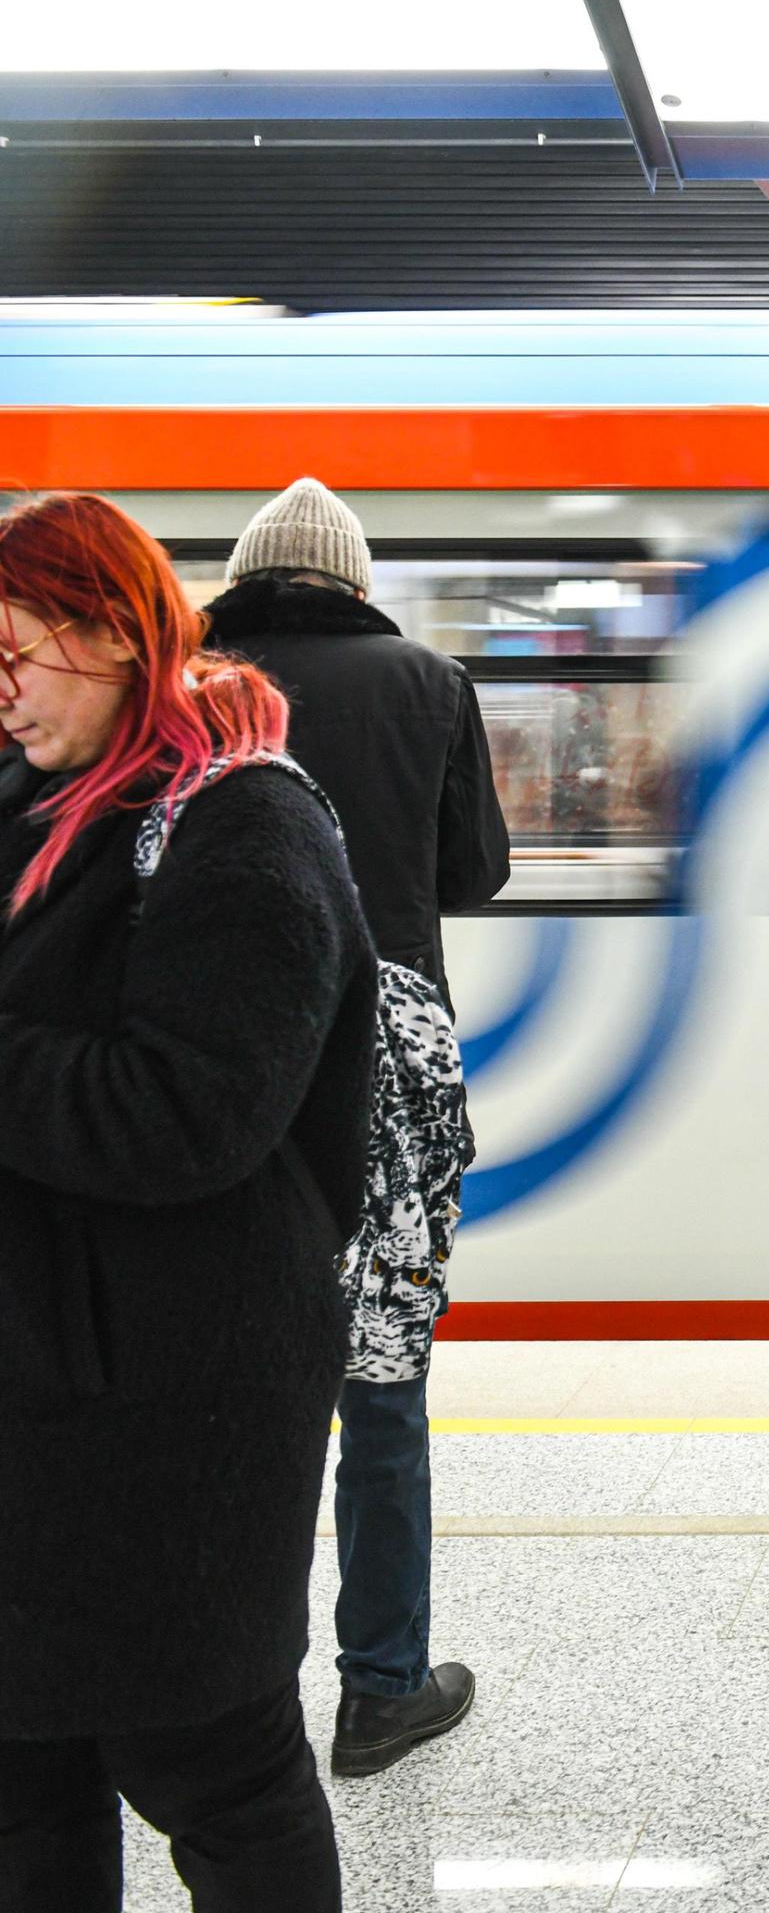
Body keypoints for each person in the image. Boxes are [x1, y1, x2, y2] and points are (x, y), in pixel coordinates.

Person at [0, 492, 376, 1909]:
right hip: (40, 1388)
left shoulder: (248, 829)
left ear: (108, 633)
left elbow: (186, 1116)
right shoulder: (36, 798)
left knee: (210, 1763)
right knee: (21, 1765)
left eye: (18, 655)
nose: (2, 692)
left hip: (179, 1405)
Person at [204, 478, 510, 1778]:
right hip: (383, 1074)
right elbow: (473, 872)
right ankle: (384, 1685)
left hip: (217, 1066)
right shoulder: (431, 683)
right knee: (381, 1381)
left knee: (212, 1381)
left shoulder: (190, 683)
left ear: (250, 573)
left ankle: (215, 1684)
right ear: (356, 579)